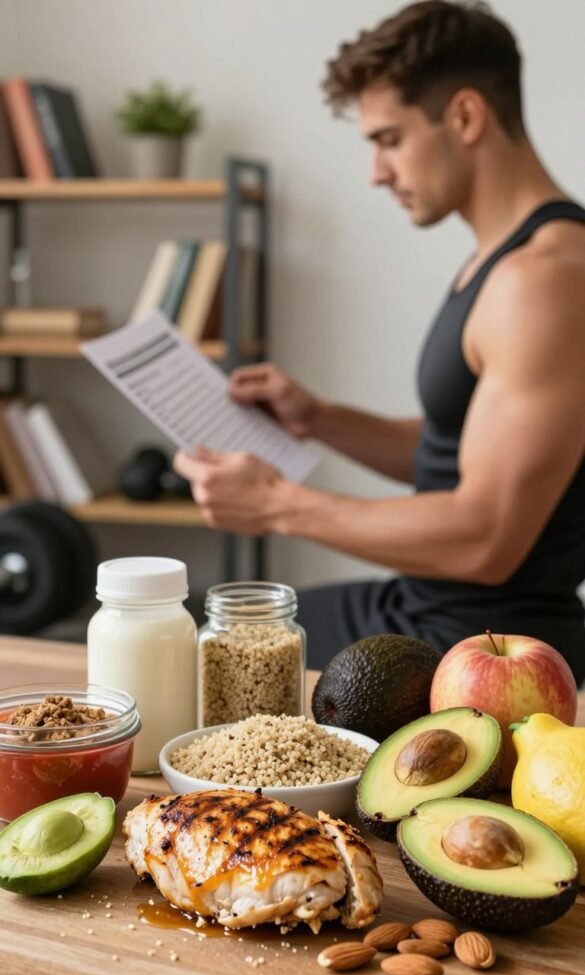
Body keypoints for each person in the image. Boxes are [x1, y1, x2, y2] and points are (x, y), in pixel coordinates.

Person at [174, 0, 585, 678]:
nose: (375, 171)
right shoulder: (503, 262)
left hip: (477, 656)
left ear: (464, 116)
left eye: (389, 139)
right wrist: (319, 420)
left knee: (186, 654)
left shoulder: (543, 280)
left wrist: (278, 504)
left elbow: (485, 537)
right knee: (191, 622)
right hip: (426, 611)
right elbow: (460, 453)